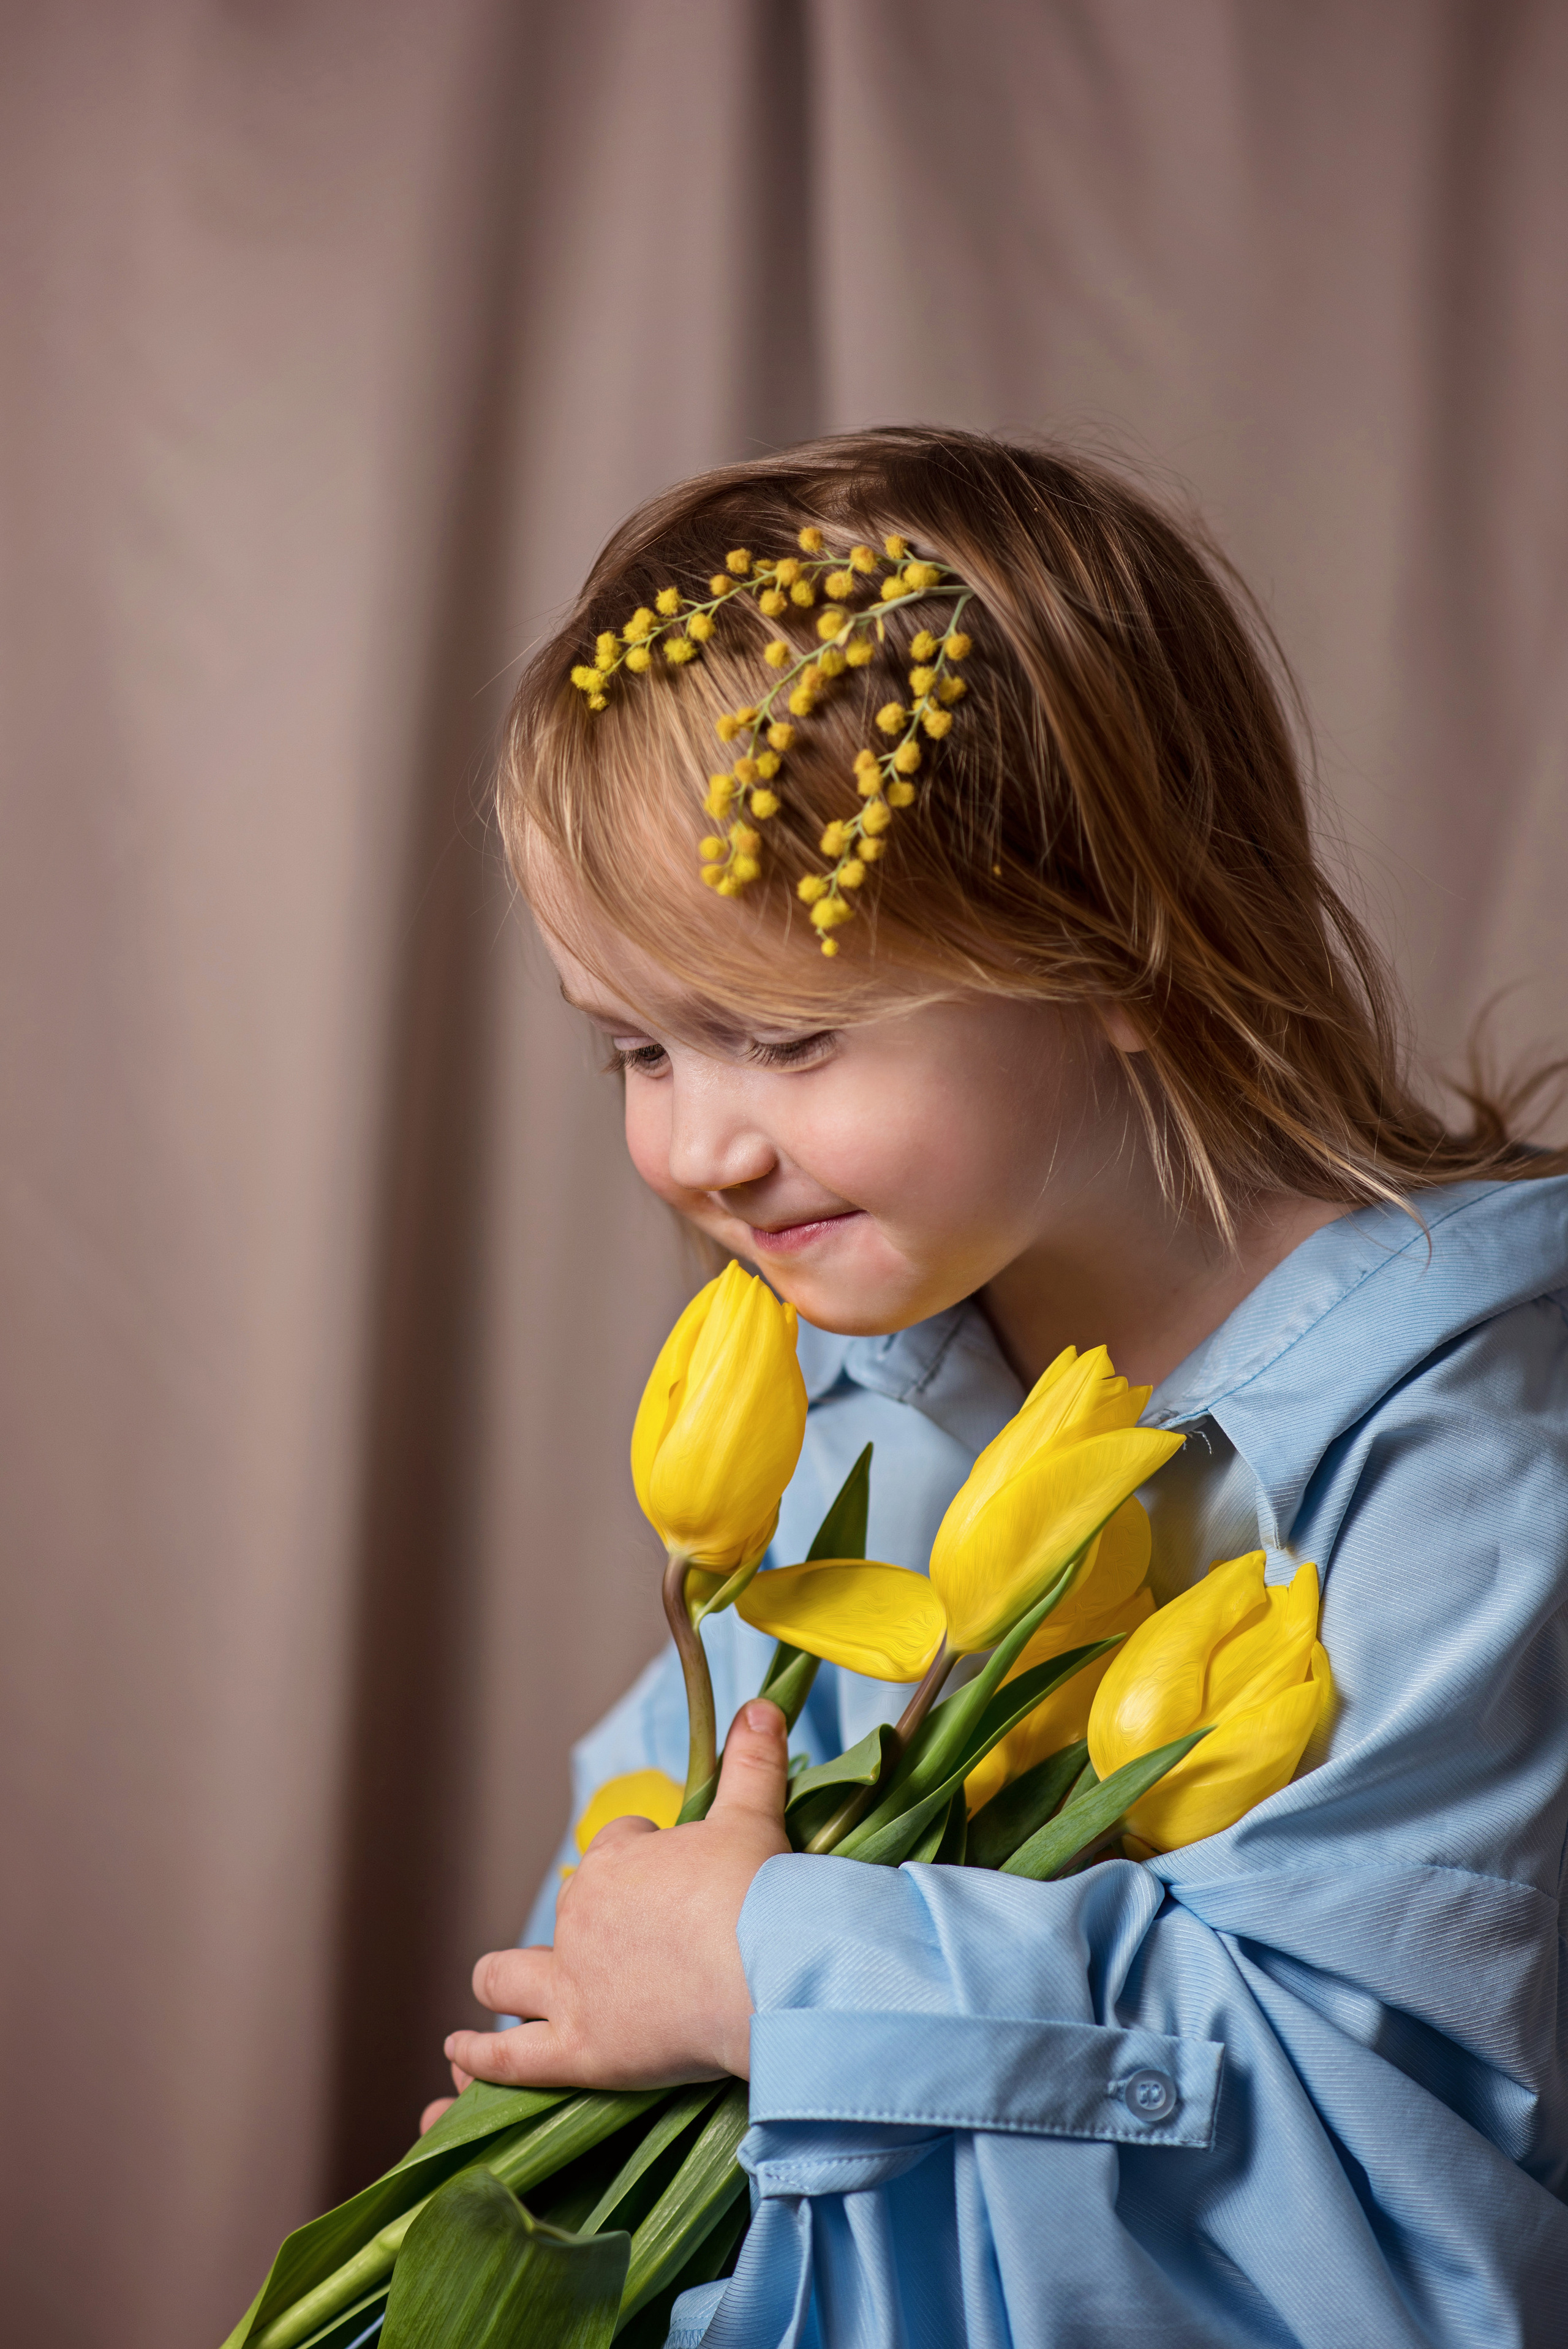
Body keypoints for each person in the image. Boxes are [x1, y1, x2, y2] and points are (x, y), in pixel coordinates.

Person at [440, 429, 1568, 2345]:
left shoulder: (1465, 1460)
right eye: (637, 1048)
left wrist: (780, 1957)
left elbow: (1408, 2184)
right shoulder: (853, 1396)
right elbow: (624, 1910)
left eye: (785, 1035)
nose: (703, 1145)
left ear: (1127, 932)